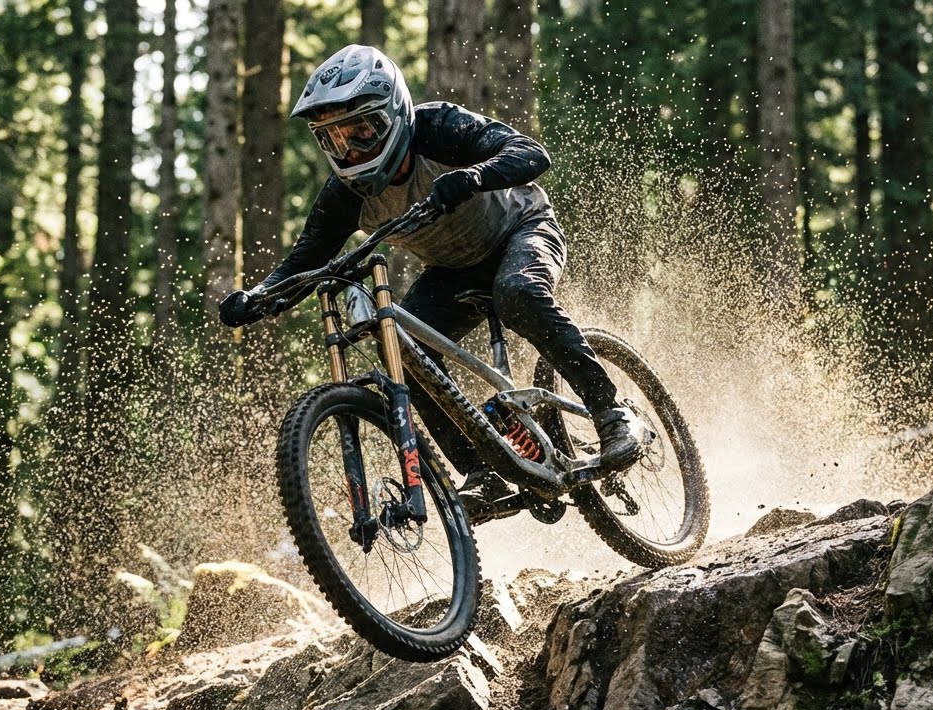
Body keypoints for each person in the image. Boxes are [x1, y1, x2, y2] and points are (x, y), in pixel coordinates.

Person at [219, 44, 642, 518]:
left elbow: (530, 153)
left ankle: (610, 412)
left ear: (394, 112)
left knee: (518, 293)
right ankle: (481, 472)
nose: (351, 148)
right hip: (453, 270)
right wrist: (258, 299)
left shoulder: (438, 128)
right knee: (401, 350)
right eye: (334, 139)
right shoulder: (343, 196)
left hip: (521, 229)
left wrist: (472, 177)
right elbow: (303, 262)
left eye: (362, 130)